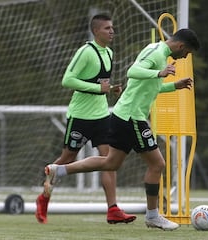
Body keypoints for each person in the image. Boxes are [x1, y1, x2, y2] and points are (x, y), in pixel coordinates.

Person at [42, 28, 200, 230]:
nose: (185, 56)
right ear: (181, 46)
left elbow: (150, 85)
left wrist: (173, 86)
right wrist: (160, 72)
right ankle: (152, 216)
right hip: (132, 117)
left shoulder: (158, 52)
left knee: (110, 162)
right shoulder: (158, 53)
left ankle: (59, 171)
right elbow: (131, 72)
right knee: (157, 165)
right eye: (187, 53)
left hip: (123, 115)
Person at [35, 14, 136, 224]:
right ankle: (43, 198)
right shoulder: (85, 52)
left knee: (108, 161)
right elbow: (67, 80)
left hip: (101, 116)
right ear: (96, 31)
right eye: (107, 28)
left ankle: (113, 209)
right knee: (66, 160)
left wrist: (111, 89)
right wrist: (98, 88)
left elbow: (100, 83)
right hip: (81, 116)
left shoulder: (109, 52)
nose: (112, 31)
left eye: (113, 28)